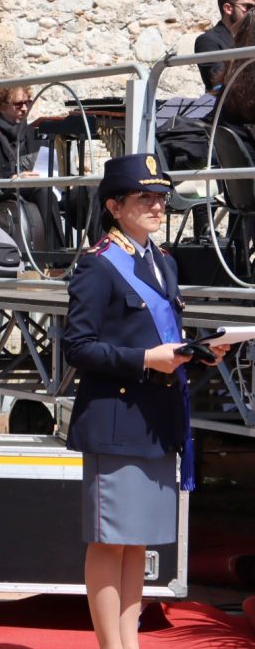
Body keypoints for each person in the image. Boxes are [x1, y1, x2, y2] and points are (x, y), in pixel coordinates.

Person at [64, 153, 229, 649]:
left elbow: (166, 339)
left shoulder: (163, 262)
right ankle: (109, 644)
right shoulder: (97, 265)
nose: (158, 206)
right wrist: (143, 360)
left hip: (156, 418)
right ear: (114, 206)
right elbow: (78, 346)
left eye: (162, 198)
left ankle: (128, 641)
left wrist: (201, 355)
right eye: (146, 198)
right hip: (116, 417)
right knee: (110, 537)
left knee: (136, 542)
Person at [0, 86, 65, 253]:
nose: (25, 108)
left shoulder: (34, 131)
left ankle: (103, 254)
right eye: (18, 104)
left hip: (44, 186)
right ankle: (59, 259)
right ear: (0, 105)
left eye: (27, 103)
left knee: (89, 190)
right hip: (7, 189)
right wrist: (13, 177)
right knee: (43, 190)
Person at [195, 0, 255, 92]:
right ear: (228, 8)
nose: (253, 13)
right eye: (249, 7)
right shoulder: (208, 41)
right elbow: (220, 84)